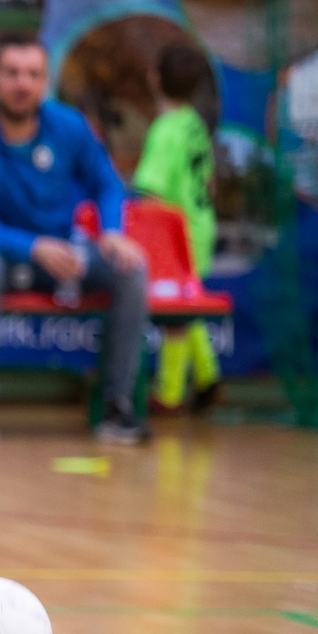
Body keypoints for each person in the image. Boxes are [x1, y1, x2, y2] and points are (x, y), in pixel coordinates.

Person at [0, 32, 150, 445]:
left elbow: (108, 185)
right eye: (12, 73)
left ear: (45, 80)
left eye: (33, 74)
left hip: (60, 254)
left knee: (130, 269)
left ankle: (116, 407)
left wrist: (111, 232)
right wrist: (34, 247)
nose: (23, 84)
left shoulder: (69, 127)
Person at [136, 43, 221, 414]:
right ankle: (207, 376)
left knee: (174, 312)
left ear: (155, 79)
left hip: (176, 237)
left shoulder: (165, 130)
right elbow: (211, 182)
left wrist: (143, 239)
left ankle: (168, 393)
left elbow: (150, 192)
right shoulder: (194, 125)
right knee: (188, 306)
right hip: (201, 228)